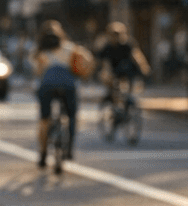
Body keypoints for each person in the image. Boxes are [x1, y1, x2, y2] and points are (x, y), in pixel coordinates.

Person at [32, 21, 92, 167]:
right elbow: (88, 60)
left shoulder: (40, 51)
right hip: (68, 85)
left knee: (44, 119)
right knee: (71, 116)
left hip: (47, 86)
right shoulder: (72, 48)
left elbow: (38, 72)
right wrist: (84, 74)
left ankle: (43, 153)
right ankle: (69, 148)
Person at [96, 22, 150, 109]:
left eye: (117, 35)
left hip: (128, 71)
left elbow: (136, 56)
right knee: (110, 82)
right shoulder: (108, 47)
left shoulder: (127, 45)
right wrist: (104, 73)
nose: (115, 37)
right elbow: (103, 61)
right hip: (115, 71)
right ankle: (114, 101)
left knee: (129, 91)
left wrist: (143, 67)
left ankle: (128, 100)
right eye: (112, 35)